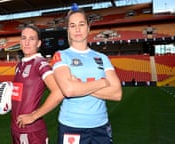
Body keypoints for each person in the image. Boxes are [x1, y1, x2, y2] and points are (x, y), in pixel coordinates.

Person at [17, 5, 122, 144]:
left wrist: (79, 85)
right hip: (71, 127)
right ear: (68, 30)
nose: (77, 29)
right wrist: (102, 82)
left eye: (81, 24)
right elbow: (68, 90)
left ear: (88, 28)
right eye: (72, 25)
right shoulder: (61, 55)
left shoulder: (102, 57)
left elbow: (117, 93)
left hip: (101, 127)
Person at [0, 24, 63, 144]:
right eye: (24, 38)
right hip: (16, 129)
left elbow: (58, 92)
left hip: (33, 132)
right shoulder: (20, 65)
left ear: (38, 43)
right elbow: (20, 98)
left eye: (31, 39)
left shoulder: (40, 64)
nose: (27, 42)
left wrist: (34, 116)